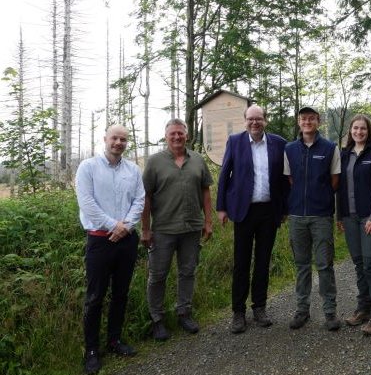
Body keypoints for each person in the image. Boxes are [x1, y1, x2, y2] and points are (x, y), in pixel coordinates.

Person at [75, 124, 145, 375]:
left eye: (123, 139)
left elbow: (140, 200)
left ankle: (114, 340)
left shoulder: (133, 170)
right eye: (115, 138)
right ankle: (92, 350)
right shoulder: (88, 168)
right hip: (99, 240)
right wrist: (113, 225)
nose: (118, 142)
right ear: (105, 139)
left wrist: (125, 227)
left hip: (126, 240)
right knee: (95, 297)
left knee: (121, 293)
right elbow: (87, 202)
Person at [217, 105, 289, 334]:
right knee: (241, 262)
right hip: (243, 211)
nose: (255, 123)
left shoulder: (279, 143)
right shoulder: (235, 141)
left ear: (265, 121)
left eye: (259, 119)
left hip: (269, 211)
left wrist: (284, 208)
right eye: (251, 119)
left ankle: (259, 307)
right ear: (245, 121)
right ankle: (238, 312)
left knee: (263, 260)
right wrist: (221, 207)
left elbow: (285, 180)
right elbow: (224, 174)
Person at [141, 118, 214, 341]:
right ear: (166, 137)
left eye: (180, 133)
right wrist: (145, 229)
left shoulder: (198, 160)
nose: (176, 137)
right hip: (162, 229)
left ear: (187, 135)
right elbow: (146, 197)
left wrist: (208, 221)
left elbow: (205, 192)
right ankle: (157, 320)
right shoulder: (154, 162)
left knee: (187, 272)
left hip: (191, 228)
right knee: (157, 276)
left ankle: (184, 313)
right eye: (172, 134)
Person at [284, 106, 341, 331]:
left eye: (311, 118)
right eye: (303, 118)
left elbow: (335, 179)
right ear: (299, 122)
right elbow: (289, 180)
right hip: (297, 216)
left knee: (325, 264)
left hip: (321, 216)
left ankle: (330, 312)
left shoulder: (329, 148)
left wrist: (321, 196)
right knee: (302, 265)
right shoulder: (289, 149)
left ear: (318, 121)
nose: (307, 121)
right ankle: (302, 310)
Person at [336, 114, 371, 336]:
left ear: (369, 132)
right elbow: (339, 187)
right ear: (350, 131)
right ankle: (363, 308)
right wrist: (340, 216)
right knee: (358, 264)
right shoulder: (344, 154)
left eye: (363, 129)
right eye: (355, 128)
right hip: (350, 217)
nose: (359, 132)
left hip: (370, 218)